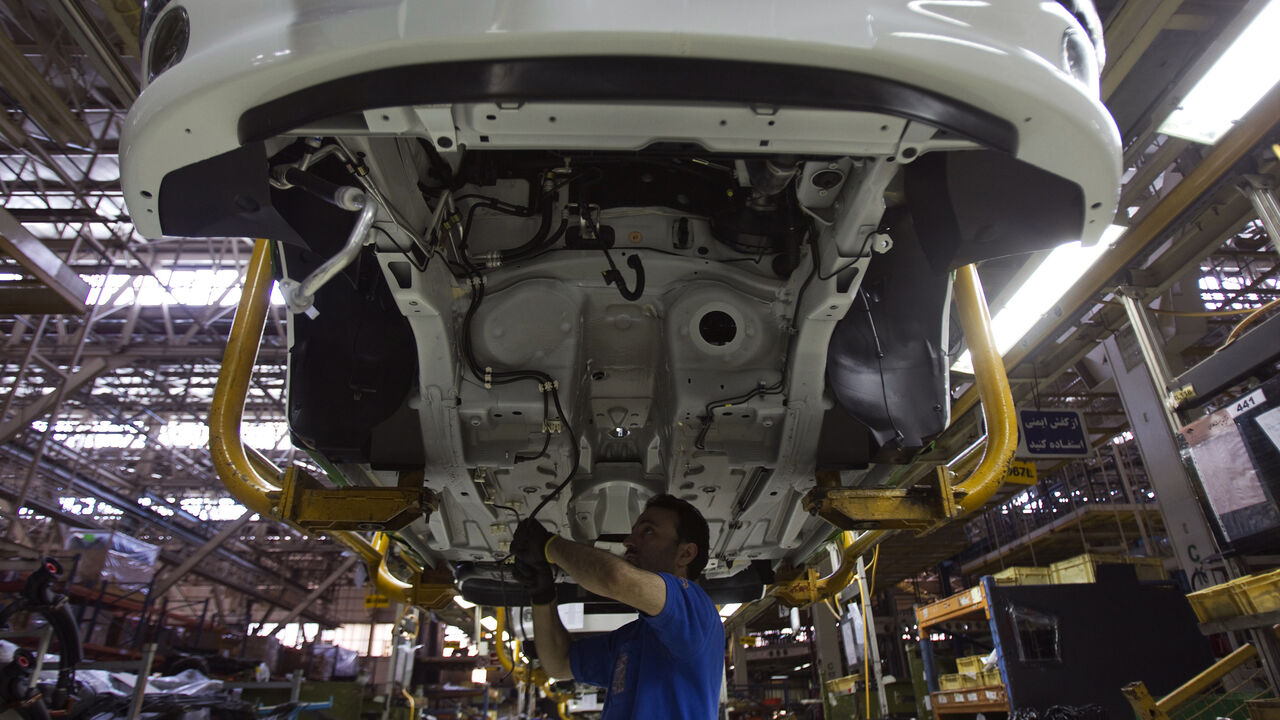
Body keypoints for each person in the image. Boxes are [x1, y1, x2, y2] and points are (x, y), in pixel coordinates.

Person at [510, 494, 724, 720]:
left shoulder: (696, 608)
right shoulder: (631, 640)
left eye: (648, 531)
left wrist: (549, 546)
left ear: (686, 553)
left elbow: (616, 578)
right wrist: (542, 595)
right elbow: (559, 663)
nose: (628, 540)